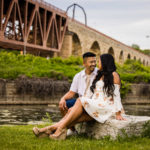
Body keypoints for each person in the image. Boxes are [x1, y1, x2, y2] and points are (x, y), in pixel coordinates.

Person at [33, 53, 125, 140]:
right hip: (96, 105)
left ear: (105, 62)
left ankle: (55, 130)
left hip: (105, 107)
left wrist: (118, 112)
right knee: (71, 111)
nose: (97, 63)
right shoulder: (100, 75)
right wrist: (64, 99)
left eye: (99, 61)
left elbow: (116, 96)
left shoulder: (114, 75)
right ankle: (50, 130)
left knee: (80, 100)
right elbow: (76, 92)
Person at [59, 52, 98, 135]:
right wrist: (62, 99)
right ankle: (72, 130)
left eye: (95, 61)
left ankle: (59, 127)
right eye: (91, 62)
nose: (94, 64)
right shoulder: (78, 76)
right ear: (84, 63)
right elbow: (71, 92)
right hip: (80, 102)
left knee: (73, 108)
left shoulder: (99, 74)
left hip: (92, 102)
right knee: (63, 104)